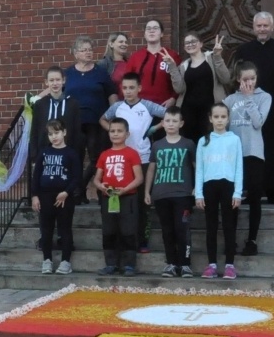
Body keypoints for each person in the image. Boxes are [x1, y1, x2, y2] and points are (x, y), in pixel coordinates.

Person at [230, 11, 274, 202]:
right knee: (249, 149)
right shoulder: (244, 50)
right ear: (253, 28)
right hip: (248, 106)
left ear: (272, 27)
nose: (262, 29)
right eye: (259, 26)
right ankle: (249, 190)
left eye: (265, 26)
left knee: (273, 150)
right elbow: (236, 77)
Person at [102, 72, 167, 252]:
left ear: (139, 88)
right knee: (125, 203)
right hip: (123, 160)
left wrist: (154, 129)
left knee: (142, 202)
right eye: (125, 88)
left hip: (144, 158)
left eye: (132, 88)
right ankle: (124, 241)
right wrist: (114, 131)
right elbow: (102, 119)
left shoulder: (147, 105)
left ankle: (142, 240)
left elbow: (168, 115)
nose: (128, 91)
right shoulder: (117, 107)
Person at [223, 62, 272, 256]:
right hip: (234, 155)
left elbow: (258, 122)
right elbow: (222, 126)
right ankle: (230, 240)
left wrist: (250, 98)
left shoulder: (264, 97)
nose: (249, 82)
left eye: (252, 79)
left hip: (253, 153)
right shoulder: (229, 100)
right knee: (232, 199)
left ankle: (252, 239)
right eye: (245, 79)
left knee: (254, 198)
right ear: (238, 79)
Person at [192, 102, 243, 280]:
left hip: (228, 185)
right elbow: (199, 169)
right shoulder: (204, 140)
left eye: (223, 117)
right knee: (211, 226)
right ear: (210, 119)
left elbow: (239, 167)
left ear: (228, 118)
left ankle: (230, 265)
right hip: (209, 186)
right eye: (216, 117)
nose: (220, 120)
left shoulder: (234, 139)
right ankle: (212, 264)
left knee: (229, 226)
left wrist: (238, 192)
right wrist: (198, 193)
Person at [145, 106, 196, 278]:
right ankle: (171, 264)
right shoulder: (157, 145)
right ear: (163, 123)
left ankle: (185, 264)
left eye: (175, 121)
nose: (171, 124)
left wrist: (198, 187)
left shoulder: (188, 144)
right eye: (167, 121)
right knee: (167, 231)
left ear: (181, 123)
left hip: (183, 195)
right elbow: (151, 170)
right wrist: (147, 191)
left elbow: (198, 168)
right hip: (161, 195)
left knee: (183, 229)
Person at [63, 35, 117, 188]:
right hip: (74, 123)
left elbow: (112, 94)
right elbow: (55, 90)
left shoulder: (100, 72)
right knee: (75, 157)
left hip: (97, 122)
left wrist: (114, 116)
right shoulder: (68, 74)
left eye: (90, 49)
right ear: (75, 53)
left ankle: (80, 187)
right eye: (84, 50)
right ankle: (79, 193)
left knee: (97, 158)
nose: (88, 52)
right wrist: (36, 99)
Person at [94, 117, 143, 275]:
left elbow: (139, 178)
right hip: (108, 197)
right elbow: (96, 178)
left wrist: (125, 189)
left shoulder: (132, 154)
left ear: (127, 134)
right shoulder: (104, 154)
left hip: (127, 197)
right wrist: (100, 186)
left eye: (119, 131)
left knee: (128, 230)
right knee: (109, 231)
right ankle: (110, 263)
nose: (115, 134)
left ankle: (129, 265)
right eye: (112, 131)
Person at [31, 119, 81, 275]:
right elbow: (36, 175)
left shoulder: (71, 153)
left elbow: (77, 177)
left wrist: (67, 192)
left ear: (64, 132)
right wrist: (34, 196)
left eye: (57, 132)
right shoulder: (44, 152)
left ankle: (66, 262)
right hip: (45, 195)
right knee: (46, 230)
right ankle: (47, 260)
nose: (54, 137)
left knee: (64, 229)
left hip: (64, 196)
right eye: (50, 134)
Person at [171, 32, 234, 143]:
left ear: (201, 44)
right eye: (187, 43)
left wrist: (218, 56)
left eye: (193, 41)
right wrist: (172, 68)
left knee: (211, 142)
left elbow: (225, 78)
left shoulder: (212, 57)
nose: (190, 44)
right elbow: (179, 89)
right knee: (191, 143)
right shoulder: (183, 65)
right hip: (188, 113)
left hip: (210, 111)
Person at [117, 19, 178, 108]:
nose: (151, 31)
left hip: (164, 107)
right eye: (148, 28)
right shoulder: (135, 57)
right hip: (139, 107)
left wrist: (173, 98)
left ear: (162, 34)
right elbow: (125, 81)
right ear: (145, 34)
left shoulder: (172, 55)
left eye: (155, 28)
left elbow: (180, 81)